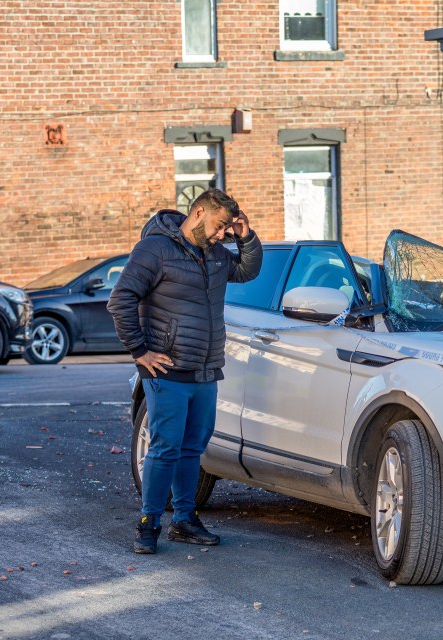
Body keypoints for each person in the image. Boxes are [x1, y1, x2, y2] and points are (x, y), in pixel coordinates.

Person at [107, 189, 262, 554]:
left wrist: (247, 237)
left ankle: (184, 520)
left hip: (205, 368)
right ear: (197, 214)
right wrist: (140, 351)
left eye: (227, 228)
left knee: (193, 449)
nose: (222, 233)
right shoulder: (155, 250)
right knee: (165, 448)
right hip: (168, 370)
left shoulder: (217, 255)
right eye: (219, 225)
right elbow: (121, 299)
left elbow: (247, 270)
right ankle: (148, 523)